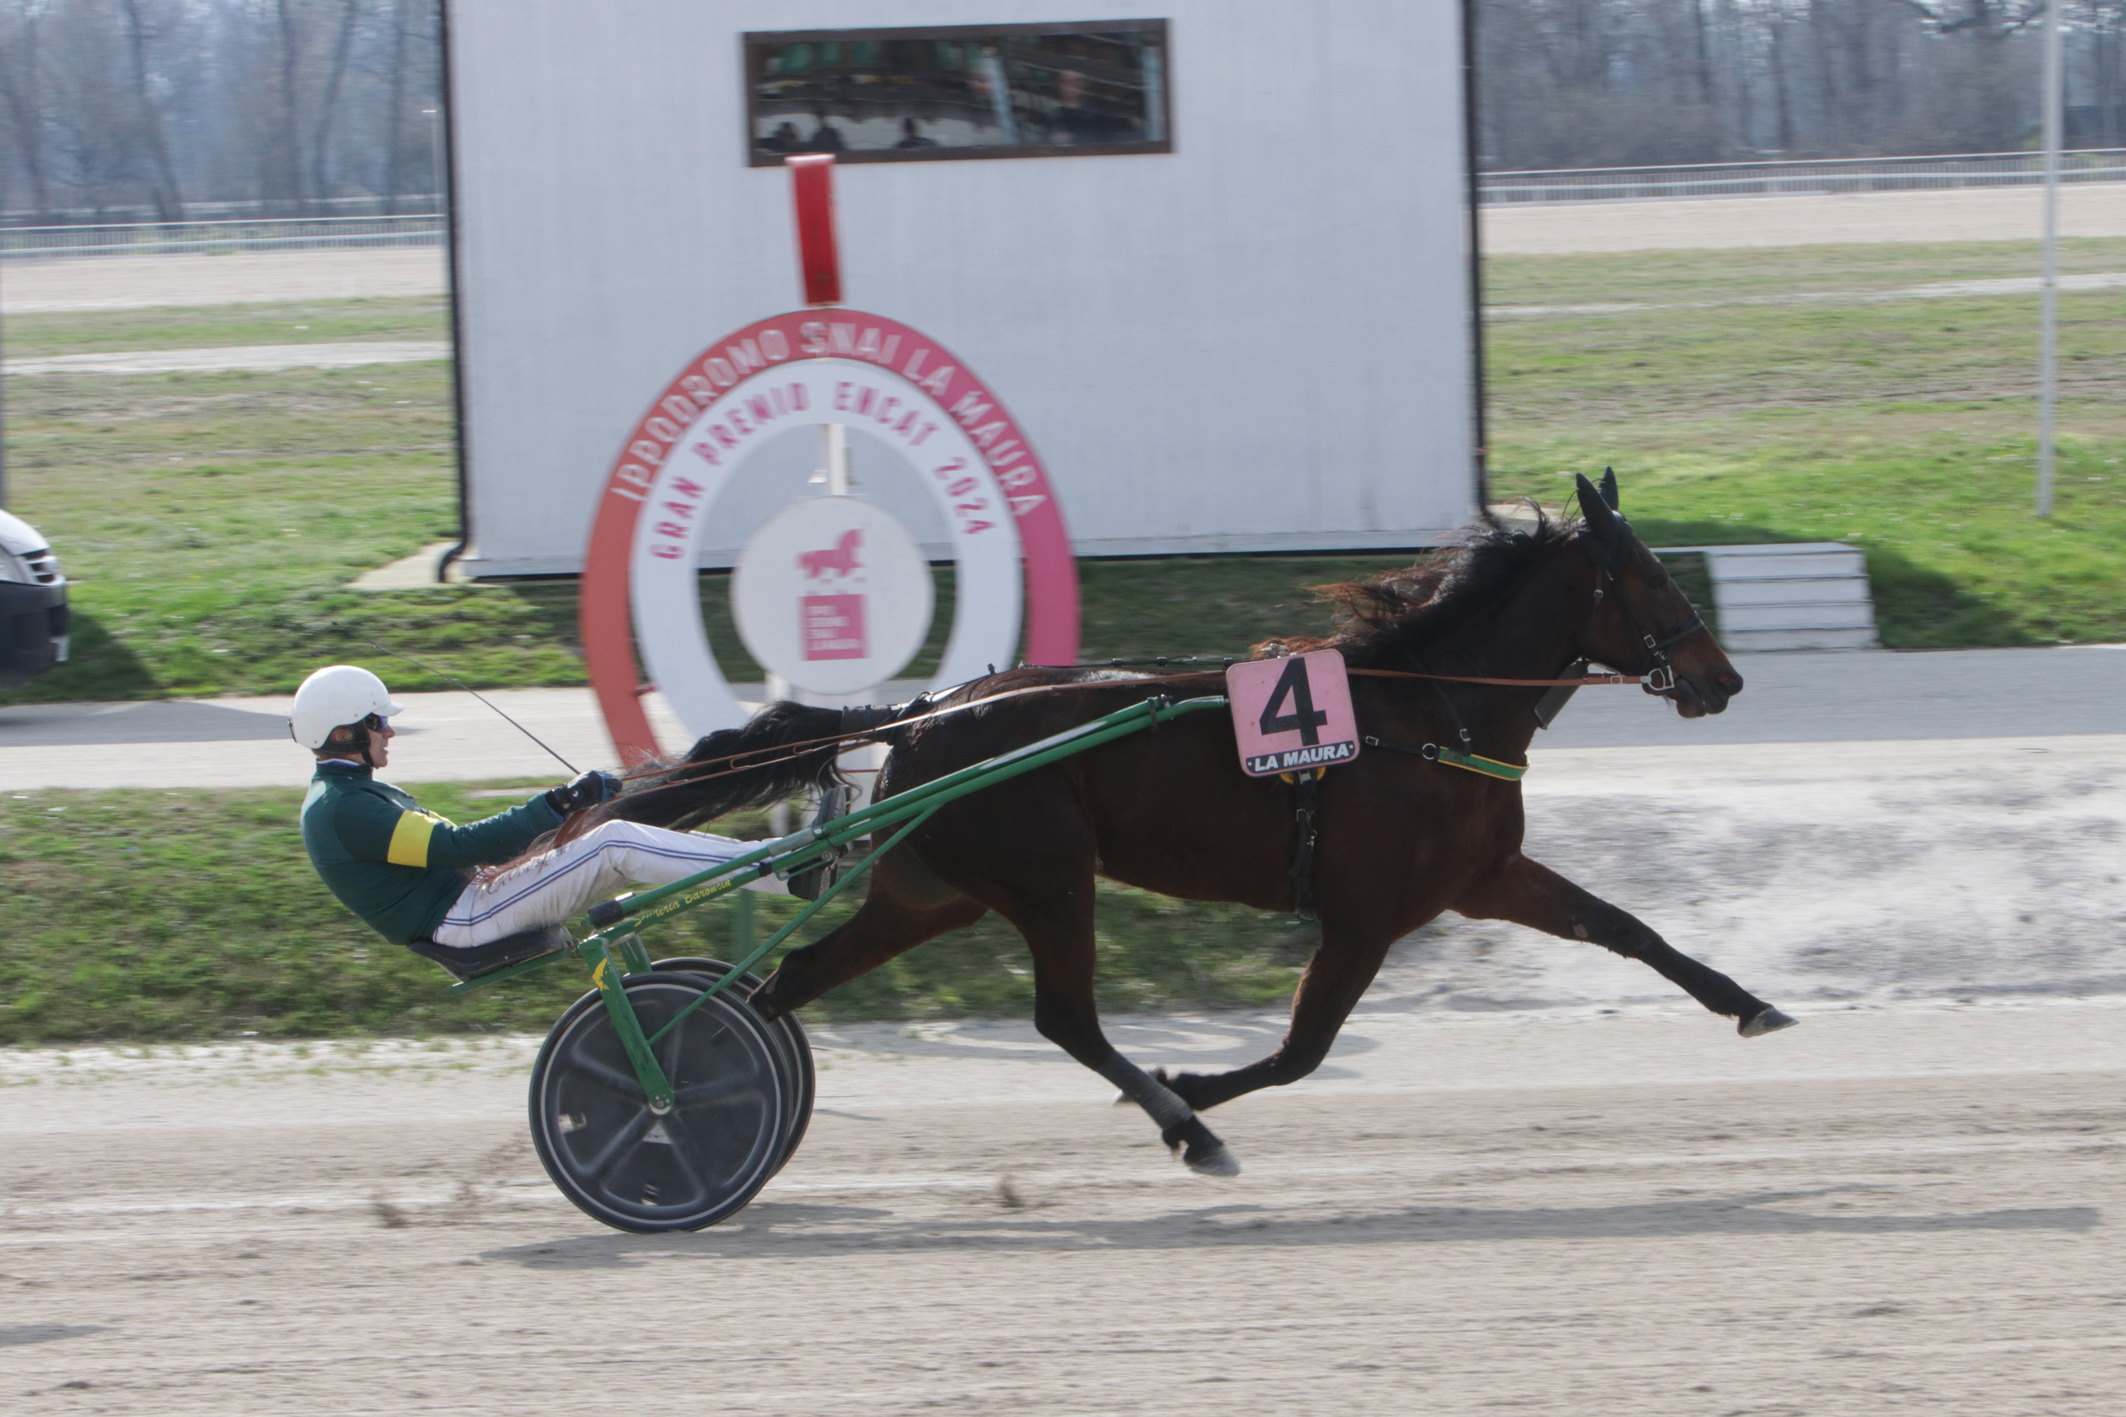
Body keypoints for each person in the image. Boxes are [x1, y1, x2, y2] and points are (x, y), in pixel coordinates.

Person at [291, 665, 783, 969]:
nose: (390, 732)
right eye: (379, 722)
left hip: (473, 903)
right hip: (469, 919)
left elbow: (461, 848)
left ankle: (769, 860)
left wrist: (569, 810)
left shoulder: (353, 796)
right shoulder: (344, 810)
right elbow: (457, 847)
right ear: (342, 734)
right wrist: (558, 802)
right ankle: (779, 869)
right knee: (614, 844)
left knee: (609, 833)